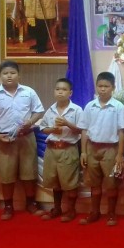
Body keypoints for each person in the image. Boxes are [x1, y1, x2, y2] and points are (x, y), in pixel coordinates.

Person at [0, 60, 46, 220]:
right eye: (5, 73)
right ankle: (8, 206)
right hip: (4, 140)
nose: (9, 76)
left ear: (19, 75)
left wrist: (30, 121)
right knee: (6, 175)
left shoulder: (29, 92)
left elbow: (39, 111)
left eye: (12, 73)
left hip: (26, 137)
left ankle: (31, 203)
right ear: (0, 75)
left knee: (29, 173)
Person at [78, 72, 124, 226]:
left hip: (110, 150)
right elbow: (84, 130)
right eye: (100, 86)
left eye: (106, 86)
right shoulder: (90, 106)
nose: (103, 89)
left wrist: (120, 155)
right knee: (94, 183)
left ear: (113, 88)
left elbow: (122, 132)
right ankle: (94, 212)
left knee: (111, 183)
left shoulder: (118, 107)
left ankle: (111, 213)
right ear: (96, 87)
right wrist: (83, 152)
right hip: (92, 148)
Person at [38, 78, 83, 222]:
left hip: (68, 149)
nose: (60, 92)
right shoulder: (50, 109)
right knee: (54, 181)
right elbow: (43, 128)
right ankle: (57, 208)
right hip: (52, 149)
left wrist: (67, 123)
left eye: (64, 89)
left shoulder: (76, 110)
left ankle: (71, 210)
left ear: (70, 93)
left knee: (69, 182)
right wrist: (52, 129)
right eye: (57, 89)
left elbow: (81, 130)